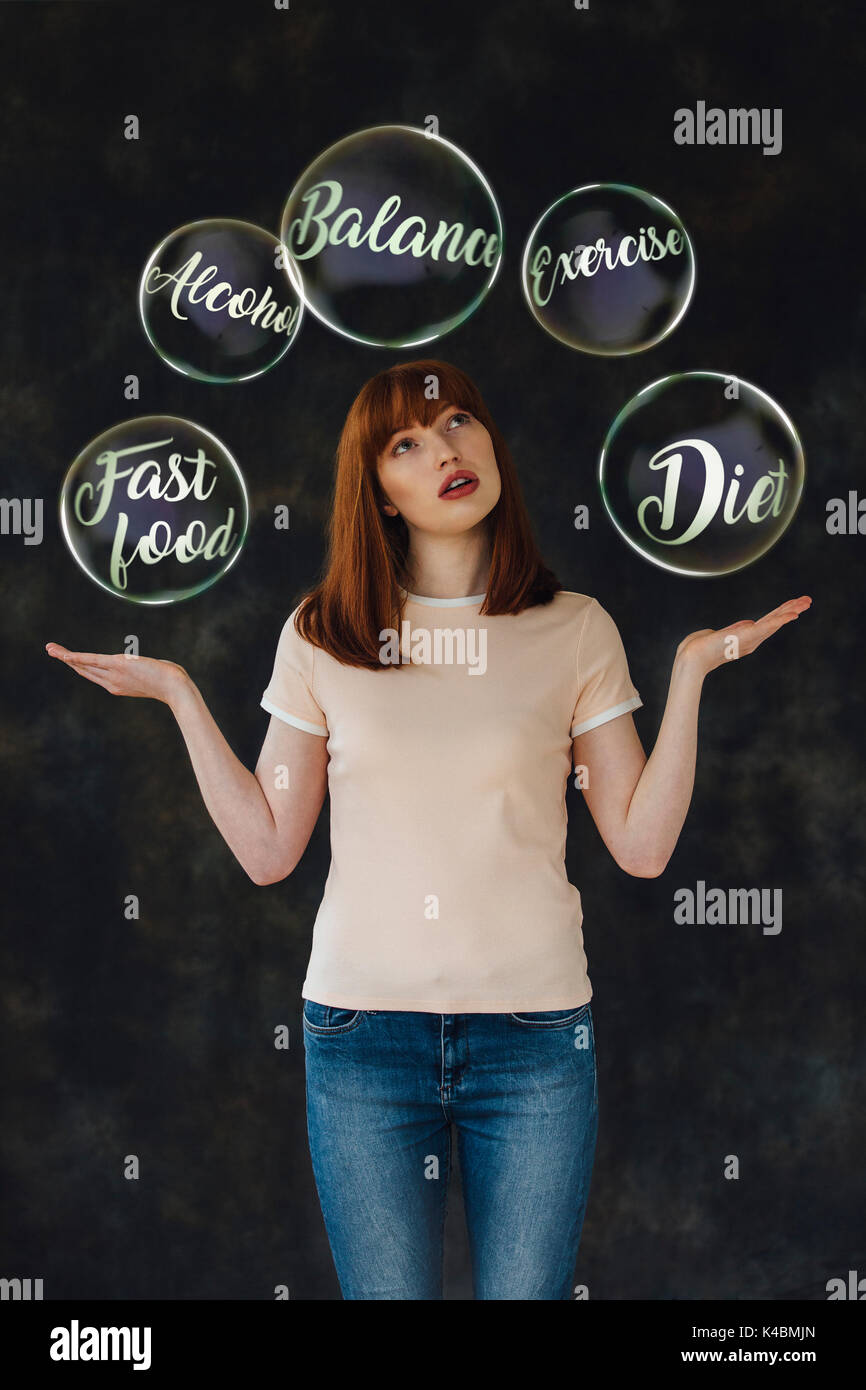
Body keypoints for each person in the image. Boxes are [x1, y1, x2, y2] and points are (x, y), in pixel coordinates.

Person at [46, 358, 811, 1300]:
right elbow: (268, 848)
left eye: (457, 424)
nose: (445, 449)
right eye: (406, 443)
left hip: (535, 1039)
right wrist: (178, 695)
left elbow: (643, 849)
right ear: (381, 494)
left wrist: (690, 673)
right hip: (362, 1038)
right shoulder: (322, 634)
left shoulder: (575, 630)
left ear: (490, 442)